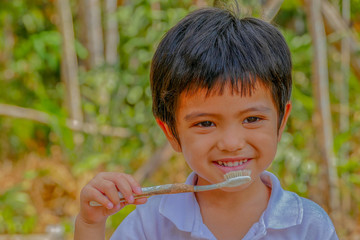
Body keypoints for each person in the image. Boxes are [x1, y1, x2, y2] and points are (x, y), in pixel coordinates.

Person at [74, 7, 338, 240]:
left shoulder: (308, 227)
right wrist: (90, 225)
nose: (232, 143)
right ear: (171, 132)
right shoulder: (150, 225)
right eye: (205, 124)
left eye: (252, 119)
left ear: (281, 123)